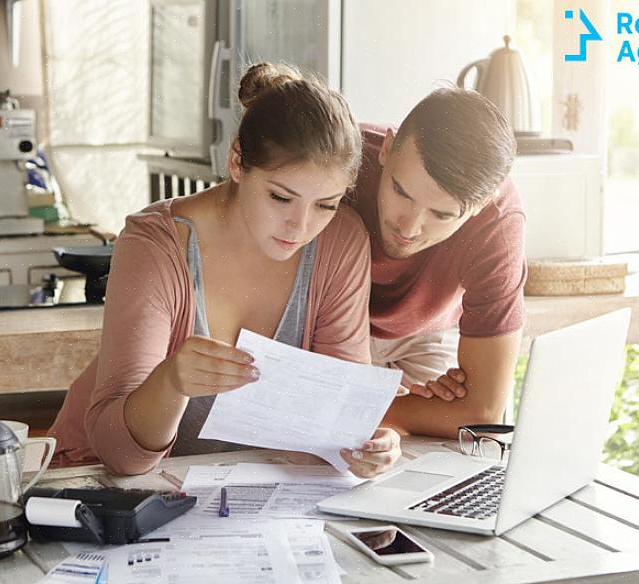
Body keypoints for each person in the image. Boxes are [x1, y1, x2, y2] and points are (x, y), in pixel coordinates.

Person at [48, 63, 400, 478]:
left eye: (325, 204)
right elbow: (121, 458)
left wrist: (367, 445)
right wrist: (171, 382)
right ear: (237, 162)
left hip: (231, 496)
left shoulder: (341, 241)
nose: (300, 226)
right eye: (280, 197)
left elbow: (333, 421)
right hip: (100, 486)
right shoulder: (155, 245)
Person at [348, 88, 526, 439]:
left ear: (480, 206)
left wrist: (358, 408)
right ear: (386, 148)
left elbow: (482, 413)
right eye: (401, 191)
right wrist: (401, 410)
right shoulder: (341, 157)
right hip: (329, 326)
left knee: (438, 457)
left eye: (441, 214)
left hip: (424, 334)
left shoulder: (498, 222)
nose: (408, 227)